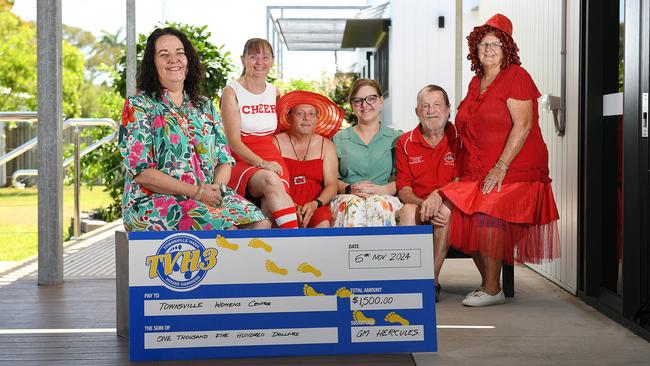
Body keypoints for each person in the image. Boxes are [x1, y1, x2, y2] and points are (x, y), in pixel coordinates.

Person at [434, 14, 560, 306]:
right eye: (482, 44)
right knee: (454, 208)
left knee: (484, 212)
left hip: (514, 170)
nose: (488, 48)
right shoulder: (475, 82)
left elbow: (524, 125)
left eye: (495, 43)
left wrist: (501, 166)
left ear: (507, 48)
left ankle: (492, 289)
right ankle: (486, 283)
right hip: (477, 170)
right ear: (475, 50)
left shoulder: (516, 76)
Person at [119, 28, 269, 231]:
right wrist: (197, 192)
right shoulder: (139, 106)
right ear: (152, 64)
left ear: (188, 60)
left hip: (208, 196)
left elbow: (224, 160)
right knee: (228, 231)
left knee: (261, 224)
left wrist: (215, 189)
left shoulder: (204, 106)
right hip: (154, 202)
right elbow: (143, 173)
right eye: (164, 54)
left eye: (179, 52)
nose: (174, 59)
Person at [220, 38, 298, 228]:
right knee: (271, 180)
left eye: (265, 57)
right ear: (243, 59)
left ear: (272, 60)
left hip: (272, 158)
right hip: (242, 159)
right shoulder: (231, 92)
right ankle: (296, 242)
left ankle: (265, 253)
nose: (259, 62)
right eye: (253, 56)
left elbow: (280, 131)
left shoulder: (275, 92)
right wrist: (262, 163)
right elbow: (233, 142)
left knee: (268, 216)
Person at [396, 85, 461, 302]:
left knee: (444, 211)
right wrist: (424, 203)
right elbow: (403, 189)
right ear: (417, 112)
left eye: (437, 105)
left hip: (450, 204)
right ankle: (408, 278)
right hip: (419, 205)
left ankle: (430, 280)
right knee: (406, 212)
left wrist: (439, 198)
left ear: (448, 109)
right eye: (425, 106)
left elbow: (463, 181)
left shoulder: (461, 140)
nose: (431, 111)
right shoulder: (405, 142)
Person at [331, 79, 403, 227]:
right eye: (358, 101)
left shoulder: (397, 138)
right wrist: (349, 189)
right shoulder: (339, 139)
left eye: (371, 99)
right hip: (348, 197)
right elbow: (331, 180)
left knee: (378, 205)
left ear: (381, 101)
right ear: (352, 105)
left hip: (384, 196)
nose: (365, 105)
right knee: (352, 207)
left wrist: (381, 190)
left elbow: (402, 178)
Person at [273, 91, 343, 228]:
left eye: (311, 114)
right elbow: (272, 183)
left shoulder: (327, 145)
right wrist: (291, 206)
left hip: (316, 204)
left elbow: (332, 185)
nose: (306, 118)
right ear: (289, 117)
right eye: (300, 113)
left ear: (317, 118)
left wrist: (315, 204)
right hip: (282, 202)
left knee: (323, 225)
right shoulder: (276, 142)